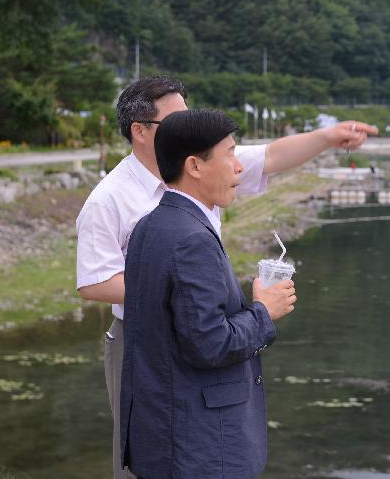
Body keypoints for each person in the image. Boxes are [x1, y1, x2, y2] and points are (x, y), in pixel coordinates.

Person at [75, 76, 377, 478]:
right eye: (176, 119)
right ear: (140, 131)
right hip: (141, 333)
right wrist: (254, 310)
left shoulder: (189, 181)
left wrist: (327, 136)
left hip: (187, 328)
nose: (238, 166)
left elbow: (269, 156)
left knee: (170, 442)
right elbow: (94, 282)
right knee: (164, 440)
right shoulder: (112, 198)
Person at [120, 109, 287, 478]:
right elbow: (210, 343)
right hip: (201, 446)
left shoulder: (150, 225)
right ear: (194, 166)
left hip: (162, 432)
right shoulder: (193, 239)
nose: (239, 168)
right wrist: (264, 310)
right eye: (229, 154)